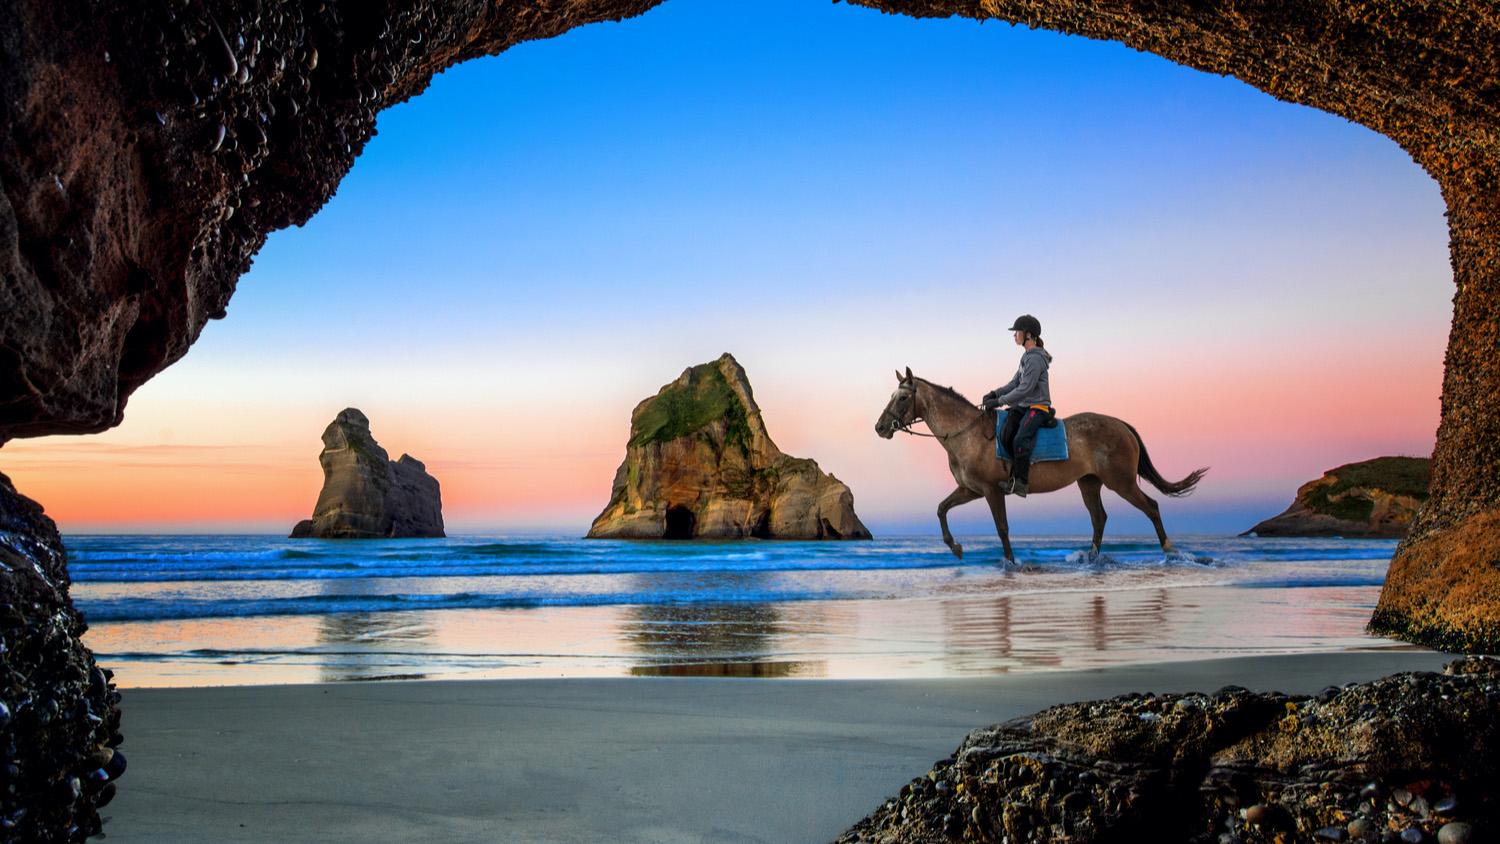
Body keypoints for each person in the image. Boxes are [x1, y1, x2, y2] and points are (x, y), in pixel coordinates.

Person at [981, 315, 1053, 497]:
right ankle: (1011, 473)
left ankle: (1021, 482)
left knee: (1020, 439)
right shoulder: (1026, 357)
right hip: (1024, 407)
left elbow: (1024, 389)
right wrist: (995, 393)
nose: (1014, 336)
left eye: (1017, 332)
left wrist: (998, 402)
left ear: (1028, 335)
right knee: (1007, 430)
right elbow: (1014, 383)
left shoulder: (1036, 360)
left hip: (1038, 408)